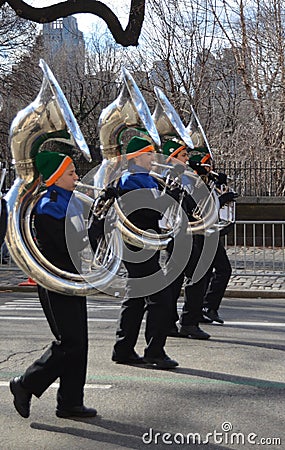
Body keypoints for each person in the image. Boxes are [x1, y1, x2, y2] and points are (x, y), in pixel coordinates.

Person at [9, 150, 97, 419]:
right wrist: (99, 224)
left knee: (79, 342)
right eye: (70, 173)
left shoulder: (68, 200)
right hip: (56, 281)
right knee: (69, 342)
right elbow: (72, 244)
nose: (76, 177)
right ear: (56, 177)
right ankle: (25, 383)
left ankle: (70, 402)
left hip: (70, 278)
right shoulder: (49, 205)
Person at [111, 136, 179, 369]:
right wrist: (170, 197)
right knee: (161, 298)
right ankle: (154, 352)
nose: (153, 158)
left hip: (143, 243)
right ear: (137, 157)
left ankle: (124, 349)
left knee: (136, 297)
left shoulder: (145, 179)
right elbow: (151, 208)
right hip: (136, 244)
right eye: (149, 154)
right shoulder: (132, 179)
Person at [162, 140, 211, 340]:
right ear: (172, 157)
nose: (187, 159)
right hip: (177, 234)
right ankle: (184, 322)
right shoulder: (167, 177)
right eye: (183, 156)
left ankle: (177, 322)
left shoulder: (185, 176)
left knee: (184, 278)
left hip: (187, 233)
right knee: (185, 278)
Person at [189, 149, 238, 325]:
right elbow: (202, 209)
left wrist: (220, 185)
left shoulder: (206, 182)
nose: (210, 169)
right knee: (222, 270)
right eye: (207, 165)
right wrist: (223, 198)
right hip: (200, 233)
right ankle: (207, 307)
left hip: (209, 232)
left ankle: (202, 308)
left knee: (208, 272)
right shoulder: (193, 183)